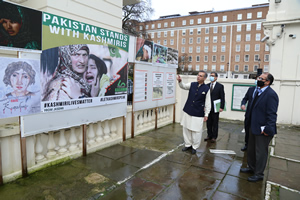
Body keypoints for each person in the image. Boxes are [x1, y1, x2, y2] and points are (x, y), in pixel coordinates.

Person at [240, 72, 279, 182]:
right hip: (253, 126)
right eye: (258, 77)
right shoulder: (257, 92)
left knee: (261, 152)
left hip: (263, 129)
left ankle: (259, 174)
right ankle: (251, 167)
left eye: (261, 78)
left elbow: (272, 114)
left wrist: (268, 129)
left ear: (267, 82)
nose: (258, 79)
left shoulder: (271, 95)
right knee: (251, 150)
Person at [177, 70, 211, 154]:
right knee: (186, 129)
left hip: (198, 113)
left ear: (205, 78)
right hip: (188, 110)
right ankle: (188, 144)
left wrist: (206, 114)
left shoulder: (206, 89)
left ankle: (194, 147)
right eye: (198, 75)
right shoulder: (192, 84)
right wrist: (180, 81)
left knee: (196, 131)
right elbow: (183, 86)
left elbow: (208, 103)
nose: (198, 77)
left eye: (200, 76)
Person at [205, 72, 225, 143]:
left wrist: (222, 107)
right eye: (210, 76)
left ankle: (214, 136)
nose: (211, 77)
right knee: (208, 122)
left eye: (213, 76)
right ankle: (209, 135)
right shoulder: (207, 86)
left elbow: (222, 97)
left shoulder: (220, 86)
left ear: (216, 77)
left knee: (215, 122)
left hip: (216, 107)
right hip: (208, 107)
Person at [240, 81, 257, 151]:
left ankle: (254, 146)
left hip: (256, 116)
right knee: (247, 129)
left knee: (254, 131)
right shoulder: (251, 89)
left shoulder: (264, 92)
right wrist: (243, 104)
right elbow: (245, 98)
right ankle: (247, 144)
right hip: (248, 114)